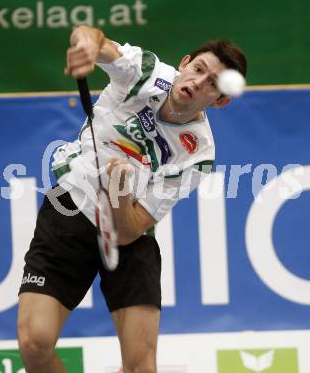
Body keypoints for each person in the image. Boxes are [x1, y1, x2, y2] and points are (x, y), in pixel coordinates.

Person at [17, 25, 247, 373]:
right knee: (35, 344)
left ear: (221, 100)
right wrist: (84, 46)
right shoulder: (146, 73)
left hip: (128, 235)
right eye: (198, 69)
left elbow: (130, 230)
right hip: (71, 207)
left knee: (142, 368)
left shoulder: (198, 154)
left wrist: (119, 194)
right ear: (185, 64)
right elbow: (94, 37)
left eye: (213, 84)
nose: (199, 83)